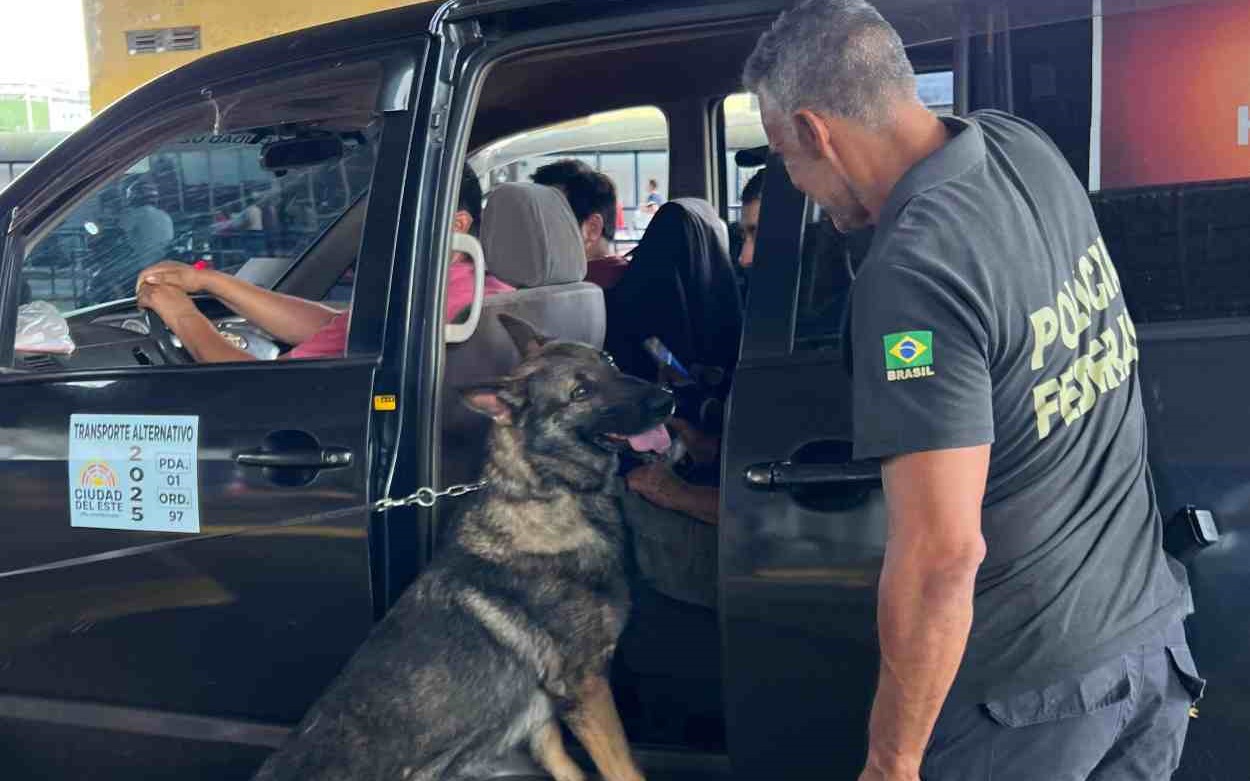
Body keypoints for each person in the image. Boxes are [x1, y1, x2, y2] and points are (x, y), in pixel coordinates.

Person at [744, 2, 1199, 780]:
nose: (797, 183)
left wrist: (892, 761)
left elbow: (940, 555)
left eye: (787, 157)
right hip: (1148, 648)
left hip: (1029, 704)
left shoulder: (915, 272)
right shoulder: (1020, 148)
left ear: (817, 132)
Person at [136, 166, 511, 363]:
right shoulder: (484, 290)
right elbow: (334, 329)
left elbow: (259, 387)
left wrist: (181, 315)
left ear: (457, 225)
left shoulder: (423, 303)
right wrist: (212, 282)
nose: (384, 230)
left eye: (400, 216)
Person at [531, 159, 630, 288]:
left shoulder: (561, 292)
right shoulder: (629, 278)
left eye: (548, 222)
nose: (533, 233)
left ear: (591, 229)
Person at [120, 178, 174, 269]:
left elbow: (120, 233)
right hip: (161, 262)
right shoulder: (164, 215)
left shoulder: (133, 214)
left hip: (140, 265)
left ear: (133, 197)